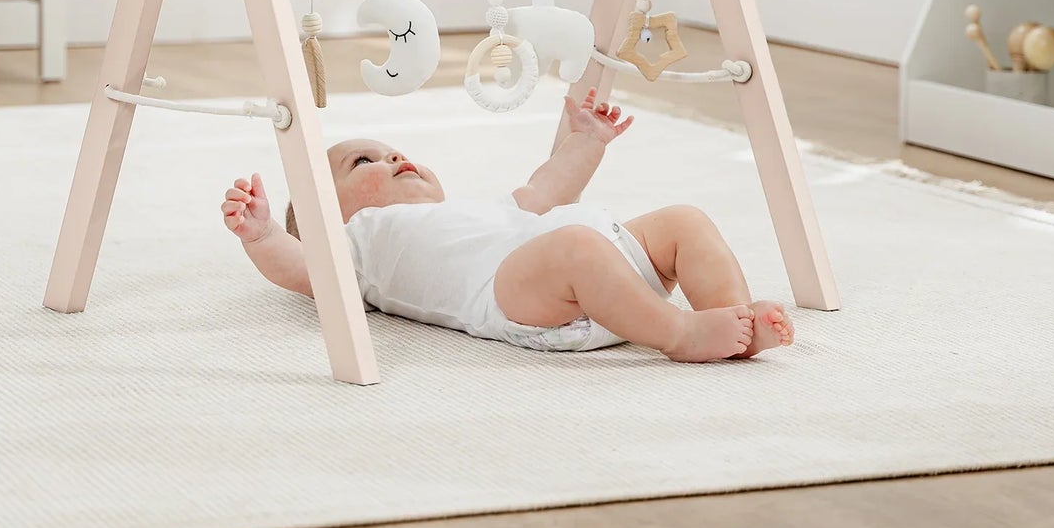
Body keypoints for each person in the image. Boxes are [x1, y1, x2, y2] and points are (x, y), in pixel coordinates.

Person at [221, 89, 794, 361]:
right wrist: (265, 234)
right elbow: (306, 270)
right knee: (574, 246)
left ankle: (731, 315)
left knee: (682, 221)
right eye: (362, 163)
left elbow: (548, 188)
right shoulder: (362, 243)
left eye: (394, 149)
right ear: (331, 216)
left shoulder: (480, 208)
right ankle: (679, 333)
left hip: (599, 264)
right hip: (527, 300)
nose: (393, 158)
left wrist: (587, 141)